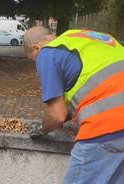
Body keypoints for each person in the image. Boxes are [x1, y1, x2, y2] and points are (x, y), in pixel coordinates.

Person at [23, 26, 124, 184]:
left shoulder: (47, 52)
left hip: (108, 126)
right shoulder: (83, 37)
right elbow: (106, 84)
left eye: (33, 58)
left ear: (36, 48)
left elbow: (57, 115)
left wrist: (40, 129)